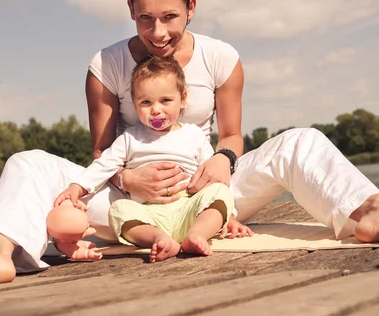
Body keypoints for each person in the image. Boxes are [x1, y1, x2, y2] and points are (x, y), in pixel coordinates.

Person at [0, 0, 378, 285]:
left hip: (204, 195)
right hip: (128, 205)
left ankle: (366, 211)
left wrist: (223, 159)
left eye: (170, 16)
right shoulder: (106, 64)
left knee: (300, 141)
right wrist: (127, 179)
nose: (158, 32)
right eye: (145, 19)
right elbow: (101, 151)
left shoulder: (221, 57)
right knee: (27, 162)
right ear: (131, 11)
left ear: (191, 7)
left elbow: (233, 135)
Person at [53, 56, 252, 262]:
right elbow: (104, 164)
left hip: (189, 208)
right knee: (120, 209)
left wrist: (230, 216)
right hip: (148, 213)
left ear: (182, 98)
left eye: (165, 100)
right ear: (135, 102)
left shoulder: (193, 135)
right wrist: (77, 187)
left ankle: (197, 235)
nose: (156, 109)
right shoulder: (130, 138)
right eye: (146, 102)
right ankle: (160, 239)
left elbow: (212, 177)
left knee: (218, 191)